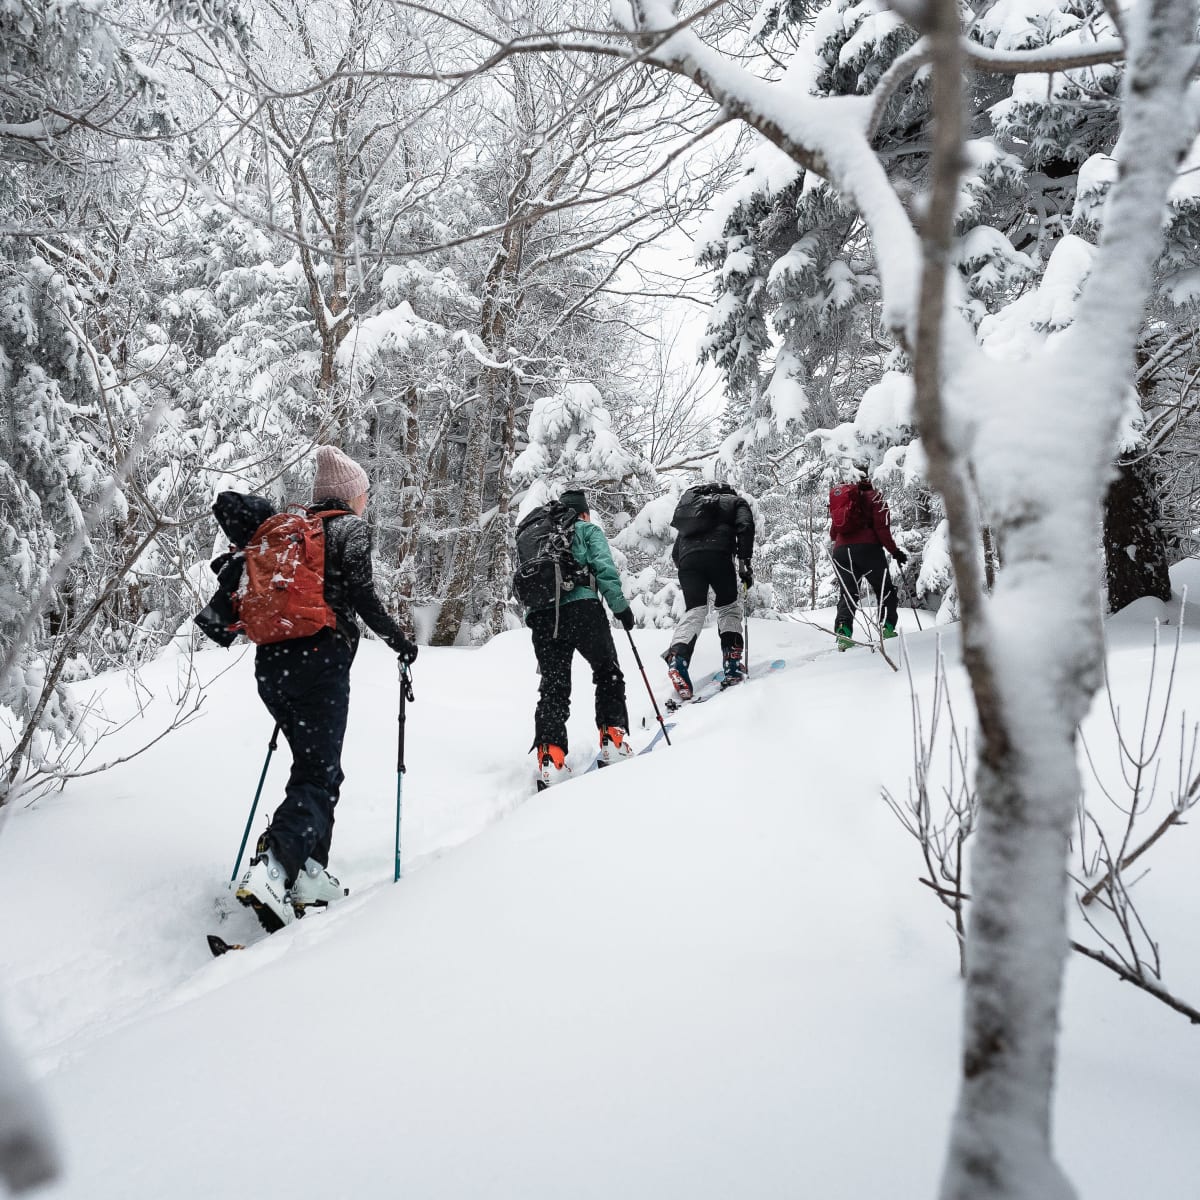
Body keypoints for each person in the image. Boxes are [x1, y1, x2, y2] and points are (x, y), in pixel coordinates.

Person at [196, 445, 418, 931]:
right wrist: (402, 642)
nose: (366, 501)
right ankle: (276, 868)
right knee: (318, 774)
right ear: (351, 495)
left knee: (318, 769)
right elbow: (362, 596)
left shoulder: (288, 536)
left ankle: (309, 870)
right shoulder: (350, 529)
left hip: (272, 666)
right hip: (320, 661)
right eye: (364, 493)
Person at [524, 488, 636, 789]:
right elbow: (604, 569)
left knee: (553, 686)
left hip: (543, 617)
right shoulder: (587, 529)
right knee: (607, 672)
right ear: (583, 512)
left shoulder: (539, 536)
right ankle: (612, 741)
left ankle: (551, 758)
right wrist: (620, 608)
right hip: (582, 610)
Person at [662, 482, 755, 697]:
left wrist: (689, 567)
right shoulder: (734, 502)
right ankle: (732, 662)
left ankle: (678, 657)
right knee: (729, 607)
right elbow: (745, 526)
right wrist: (744, 562)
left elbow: (677, 551)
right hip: (718, 555)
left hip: (687, 562)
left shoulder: (692, 509)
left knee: (695, 610)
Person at [829, 468, 907, 651]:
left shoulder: (844, 501)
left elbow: (833, 533)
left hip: (841, 552)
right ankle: (886, 629)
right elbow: (882, 530)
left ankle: (843, 632)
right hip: (869, 550)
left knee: (848, 593)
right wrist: (894, 551)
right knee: (884, 590)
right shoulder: (875, 497)